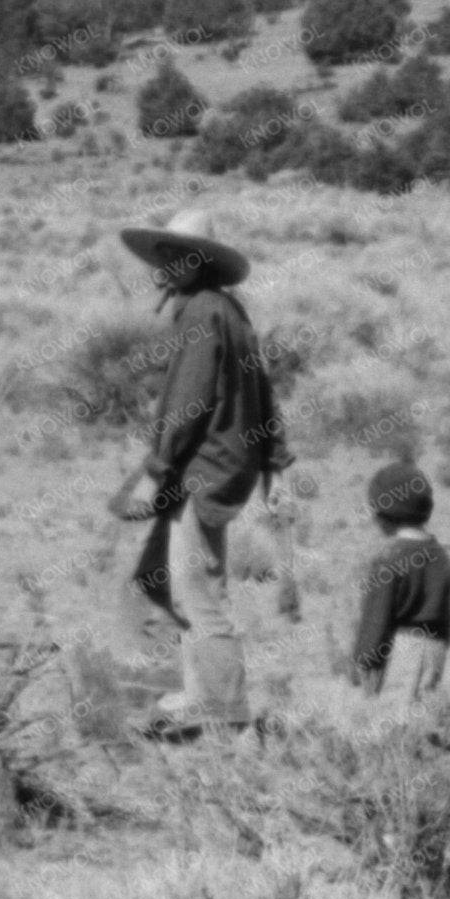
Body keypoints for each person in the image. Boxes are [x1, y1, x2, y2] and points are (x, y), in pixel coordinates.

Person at [118, 206, 286, 737]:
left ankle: (226, 711)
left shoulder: (201, 316)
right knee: (173, 579)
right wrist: (274, 462)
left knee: (198, 590)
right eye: (162, 254)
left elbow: (186, 403)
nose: (165, 264)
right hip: (224, 463)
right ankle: (199, 695)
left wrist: (156, 468)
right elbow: (263, 392)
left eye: (178, 255)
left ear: (202, 262)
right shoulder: (228, 311)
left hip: (202, 468)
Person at [350, 460, 450, 701]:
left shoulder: (389, 560)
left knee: (394, 723)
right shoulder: (440, 554)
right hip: (436, 648)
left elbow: (377, 616)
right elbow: (445, 613)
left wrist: (364, 659)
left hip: (402, 651)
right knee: (422, 717)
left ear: (385, 516)